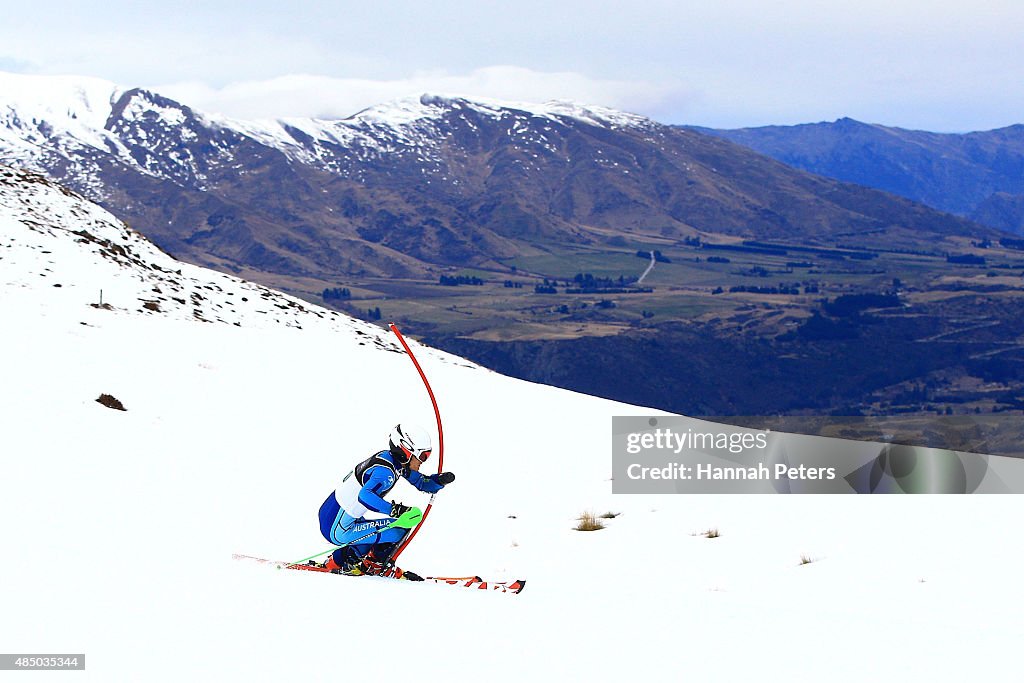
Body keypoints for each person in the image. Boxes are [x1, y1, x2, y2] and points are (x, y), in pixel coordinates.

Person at [318, 423, 455, 578]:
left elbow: (421, 482)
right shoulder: (386, 472)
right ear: (406, 450)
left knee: (376, 530)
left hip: (332, 515)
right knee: (399, 529)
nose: (423, 462)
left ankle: (337, 562)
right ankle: (375, 566)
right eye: (423, 456)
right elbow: (365, 496)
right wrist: (396, 511)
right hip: (337, 529)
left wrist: (439, 481)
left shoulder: (391, 461)